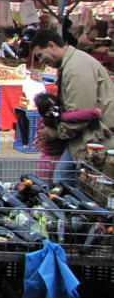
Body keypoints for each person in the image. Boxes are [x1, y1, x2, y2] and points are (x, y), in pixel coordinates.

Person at [30, 28, 114, 183]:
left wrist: (55, 133)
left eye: (41, 55)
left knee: (62, 181)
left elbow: (79, 114)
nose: (41, 61)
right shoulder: (72, 64)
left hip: (93, 138)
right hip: (87, 137)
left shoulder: (76, 69)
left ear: (52, 45)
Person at [32, 91, 101, 183]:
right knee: (57, 186)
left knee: (44, 185)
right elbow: (76, 116)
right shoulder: (59, 118)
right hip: (58, 158)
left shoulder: (43, 122)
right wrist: (95, 112)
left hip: (45, 160)